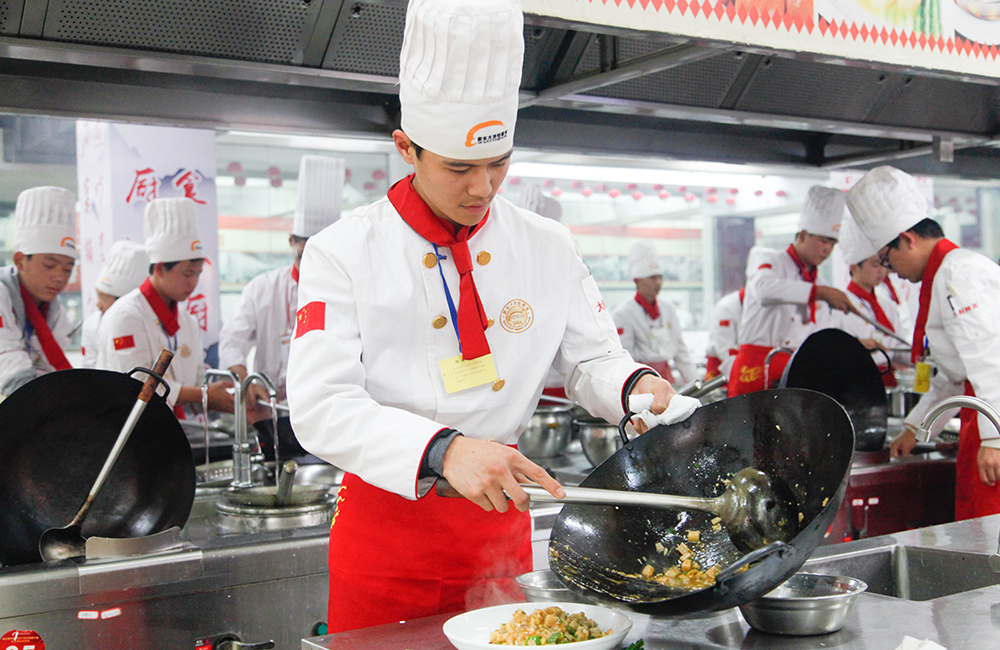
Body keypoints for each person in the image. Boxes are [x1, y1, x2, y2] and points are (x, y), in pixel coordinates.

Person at [286, 0, 680, 632]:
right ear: (406, 148)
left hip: (500, 525)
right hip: (387, 530)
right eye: (459, 167)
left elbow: (592, 361)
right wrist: (444, 451)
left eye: (499, 163)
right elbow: (319, 405)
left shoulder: (547, 244)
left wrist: (636, 389)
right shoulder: (344, 251)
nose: (483, 188)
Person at [847, 165, 1000, 519]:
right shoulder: (944, 273)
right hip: (982, 414)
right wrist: (915, 429)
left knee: (988, 531)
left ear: (908, 239)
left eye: (888, 259)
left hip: (991, 417)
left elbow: (990, 359)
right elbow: (952, 377)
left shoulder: (958, 273)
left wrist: (995, 439)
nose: (891, 271)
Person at [219, 155, 344, 460]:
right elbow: (233, 339)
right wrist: (242, 376)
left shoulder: (347, 290)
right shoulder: (263, 288)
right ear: (291, 242)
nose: (312, 268)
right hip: (271, 415)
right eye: (304, 256)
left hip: (330, 417)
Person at [97, 197, 234, 418]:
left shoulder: (187, 322)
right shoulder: (126, 316)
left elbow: (196, 379)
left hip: (174, 428)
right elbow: (135, 384)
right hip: (127, 428)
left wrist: (222, 396)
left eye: (198, 274)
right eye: (187, 274)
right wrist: (202, 395)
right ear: (160, 268)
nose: (193, 283)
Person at [728, 186, 857, 397]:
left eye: (832, 243)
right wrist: (820, 293)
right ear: (803, 235)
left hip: (794, 369)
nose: (827, 249)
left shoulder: (820, 282)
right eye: (823, 240)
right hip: (756, 367)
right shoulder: (772, 260)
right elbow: (764, 289)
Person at [0, 186, 77, 396]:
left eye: (68, 269)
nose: (59, 277)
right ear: (20, 261)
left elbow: (48, 372)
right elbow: (9, 367)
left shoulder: (56, 313)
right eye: (49, 265)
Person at [832, 213, 910, 387]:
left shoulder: (887, 306)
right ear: (854, 267)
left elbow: (898, 347)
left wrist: (919, 355)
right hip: (854, 382)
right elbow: (833, 351)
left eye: (883, 263)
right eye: (875, 264)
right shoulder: (839, 304)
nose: (881, 270)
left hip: (888, 381)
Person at [612, 241, 697, 385]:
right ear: (637, 281)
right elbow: (625, 361)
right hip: (640, 380)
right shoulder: (623, 315)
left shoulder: (668, 309)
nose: (658, 282)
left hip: (667, 379)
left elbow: (681, 353)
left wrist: (696, 383)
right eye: (652, 278)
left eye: (660, 277)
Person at [703, 246, 774, 381]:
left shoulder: (767, 309)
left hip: (750, 371)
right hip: (721, 375)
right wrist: (740, 381)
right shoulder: (727, 307)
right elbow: (725, 351)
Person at [80, 240, 149, 368]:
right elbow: (88, 368)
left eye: (104, 298)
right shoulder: (92, 325)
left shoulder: (146, 322)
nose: (98, 304)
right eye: (98, 295)